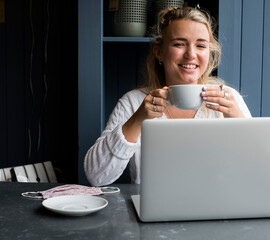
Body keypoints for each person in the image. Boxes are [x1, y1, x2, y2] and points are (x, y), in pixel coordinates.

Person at [84, 7, 252, 186]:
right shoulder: (134, 102)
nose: (191, 55)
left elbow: (256, 172)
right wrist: (137, 120)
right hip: (152, 211)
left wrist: (239, 122)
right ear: (159, 52)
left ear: (209, 54)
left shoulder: (229, 99)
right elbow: (96, 177)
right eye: (179, 44)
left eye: (201, 45)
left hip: (218, 208)